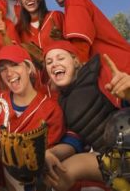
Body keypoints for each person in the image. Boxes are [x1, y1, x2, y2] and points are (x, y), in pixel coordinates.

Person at [42, 40, 130, 191]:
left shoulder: (99, 74)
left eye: (61, 58)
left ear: (76, 61)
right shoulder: (61, 103)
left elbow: (122, 102)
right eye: (49, 62)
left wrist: (128, 95)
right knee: (56, 176)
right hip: (107, 156)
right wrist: (49, 153)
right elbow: (74, 139)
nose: (54, 64)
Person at [0, 44, 65, 191]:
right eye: (3, 69)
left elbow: (43, 163)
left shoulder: (51, 109)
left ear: (28, 68)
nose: (9, 73)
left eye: (14, 65)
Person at [45, 0, 130, 82]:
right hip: (120, 73)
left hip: (123, 73)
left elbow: (80, 50)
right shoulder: (79, 4)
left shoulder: (75, 1)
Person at [15, 0, 64, 88]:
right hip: (38, 87)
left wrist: (62, 39)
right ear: (21, 2)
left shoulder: (55, 16)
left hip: (62, 81)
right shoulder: (20, 29)